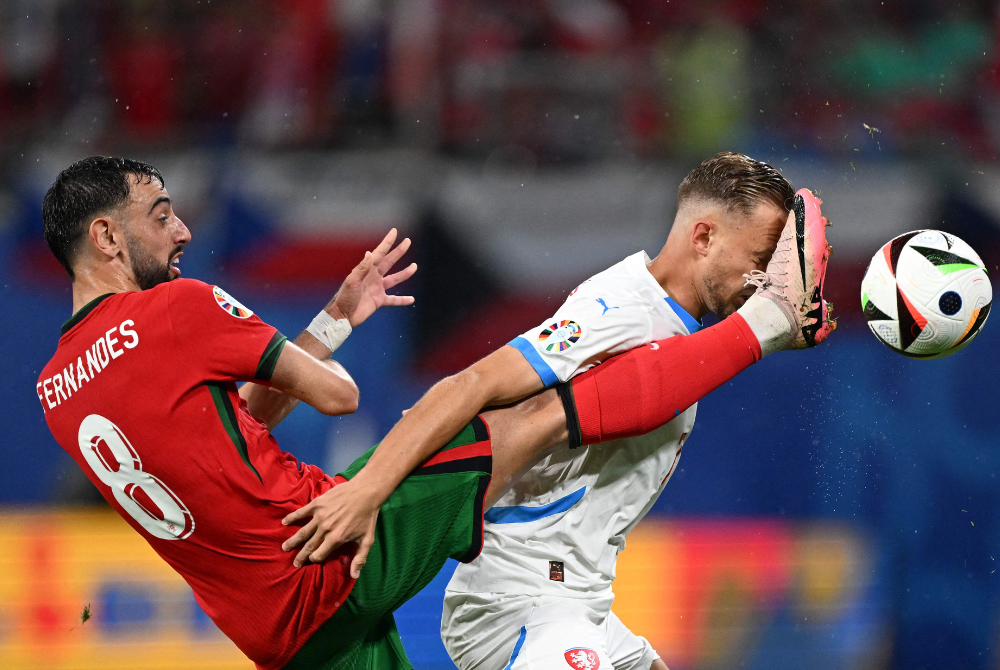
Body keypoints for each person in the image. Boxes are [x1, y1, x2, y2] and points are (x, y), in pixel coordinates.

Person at [38, 155, 831, 670]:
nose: (180, 231)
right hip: (325, 549)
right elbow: (342, 395)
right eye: (161, 212)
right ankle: (765, 331)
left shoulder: (56, 390)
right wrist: (364, 490)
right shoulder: (176, 308)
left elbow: (239, 427)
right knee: (522, 418)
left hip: (269, 627)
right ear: (107, 234)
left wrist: (335, 319)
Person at [281, 152, 835, 670]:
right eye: (762, 261)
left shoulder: (675, 324)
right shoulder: (621, 312)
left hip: (582, 600)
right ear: (704, 236)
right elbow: (469, 384)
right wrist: (367, 490)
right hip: (518, 597)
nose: (768, 284)